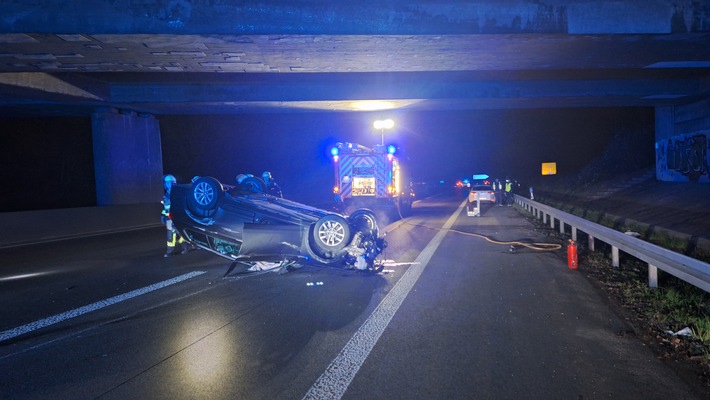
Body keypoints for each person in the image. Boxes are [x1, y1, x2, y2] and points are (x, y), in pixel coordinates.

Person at [161, 174, 194, 257]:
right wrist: (163, 215)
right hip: (169, 219)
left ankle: (187, 247)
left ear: (173, 183)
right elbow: (166, 208)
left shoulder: (177, 193)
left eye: (170, 183)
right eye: (166, 183)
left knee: (181, 233)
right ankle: (170, 251)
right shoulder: (166, 196)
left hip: (177, 218)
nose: (168, 184)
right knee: (170, 235)